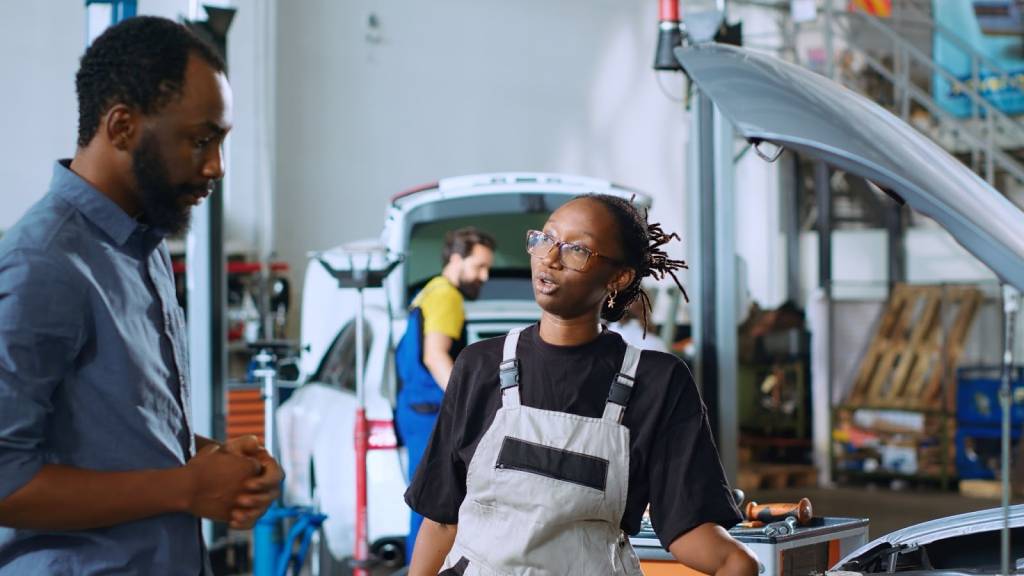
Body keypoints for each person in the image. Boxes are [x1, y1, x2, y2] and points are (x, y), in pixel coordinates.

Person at [0, 17, 282, 574]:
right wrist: (183, 488)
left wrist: (217, 464)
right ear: (123, 126)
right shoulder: (42, 265)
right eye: (201, 140)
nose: (216, 167)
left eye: (221, 142)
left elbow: (124, 432)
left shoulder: (143, 246)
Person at [404, 195, 758, 576]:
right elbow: (442, 519)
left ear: (618, 278)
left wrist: (735, 562)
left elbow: (686, 524)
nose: (550, 258)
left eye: (577, 249)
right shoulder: (480, 366)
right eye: (545, 239)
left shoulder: (657, 383)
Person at [395, 227, 496, 561]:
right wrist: (469, 405)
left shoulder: (429, 291)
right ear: (456, 259)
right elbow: (435, 355)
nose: (484, 276)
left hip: (416, 406)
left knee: (425, 500)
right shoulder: (447, 296)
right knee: (433, 506)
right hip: (430, 410)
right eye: (478, 266)